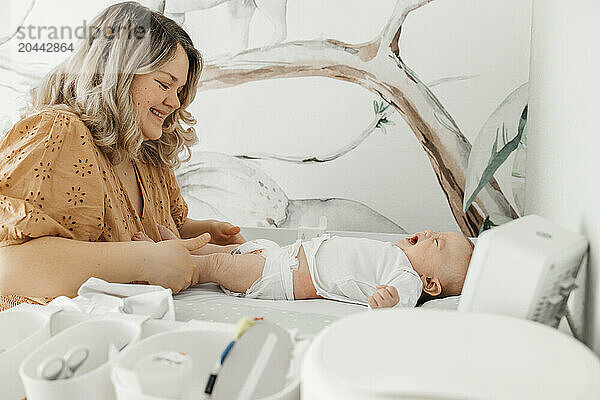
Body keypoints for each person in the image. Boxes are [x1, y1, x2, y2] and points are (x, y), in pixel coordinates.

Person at [0, 2, 243, 311]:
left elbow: (138, 230)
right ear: (119, 73)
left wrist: (198, 231)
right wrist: (143, 261)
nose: (175, 102)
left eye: (180, 90)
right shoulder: (58, 132)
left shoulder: (145, 153)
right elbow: (7, 265)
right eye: (164, 84)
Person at [134, 227, 475, 309]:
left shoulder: (407, 278)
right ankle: (179, 247)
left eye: (437, 244)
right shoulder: (393, 254)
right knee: (238, 247)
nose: (429, 233)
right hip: (283, 256)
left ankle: (170, 262)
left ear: (431, 284)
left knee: (218, 264)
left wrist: (390, 301)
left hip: (280, 278)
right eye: (437, 232)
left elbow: (400, 303)